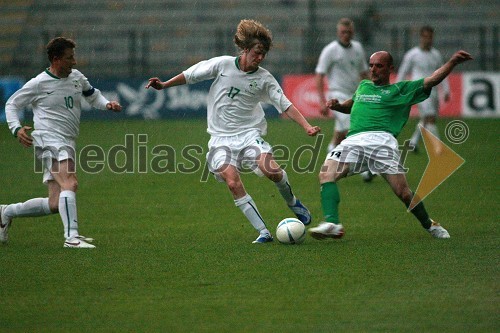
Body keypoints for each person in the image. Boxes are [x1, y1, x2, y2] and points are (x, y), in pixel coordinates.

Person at [146, 19, 320, 244]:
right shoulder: (223, 65)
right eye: (257, 52)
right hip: (220, 140)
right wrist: (164, 84)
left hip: (249, 134)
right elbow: (191, 75)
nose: (260, 58)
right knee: (232, 182)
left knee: (272, 171)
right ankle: (263, 232)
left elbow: (285, 104)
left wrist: (306, 126)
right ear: (246, 49)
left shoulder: (264, 79)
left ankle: (292, 202)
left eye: (264, 54)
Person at [309, 50, 472, 240]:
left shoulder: (401, 90)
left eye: (379, 66)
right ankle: (333, 223)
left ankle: (430, 224)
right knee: (326, 174)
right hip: (353, 140)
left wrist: (452, 61)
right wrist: (337, 106)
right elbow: (351, 106)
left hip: (382, 143)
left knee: (403, 193)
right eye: (371, 65)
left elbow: (432, 80)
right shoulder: (363, 86)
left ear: (390, 68)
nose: (373, 69)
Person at [1, 37, 122, 248]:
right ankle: (71, 238)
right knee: (70, 183)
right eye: (69, 58)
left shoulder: (76, 77)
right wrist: (16, 128)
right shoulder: (39, 83)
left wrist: (107, 105)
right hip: (48, 139)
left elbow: (92, 96)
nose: (74, 62)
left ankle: (5, 212)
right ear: (56, 60)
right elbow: (12, 104)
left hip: (67, 140)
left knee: (55, 203)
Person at [315, 18, 373, 181]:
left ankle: (328, 164)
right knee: (354, 130)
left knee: (340, 135)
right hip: (337, 96)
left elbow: (363, 73)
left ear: (353, 32)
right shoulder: (330, 50)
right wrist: (321, 102)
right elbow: (319, 75)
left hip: (354, 95)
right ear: (338, 32)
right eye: (343, 32)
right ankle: (365, 170)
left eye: (349, 32)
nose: (346, 35)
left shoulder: (358, 48)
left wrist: (371, 92)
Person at [397, 26, 450, 153]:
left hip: (434, 92)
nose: (428, 40)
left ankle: (413, 143)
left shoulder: (436, 54)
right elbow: (403, 72)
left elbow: (442, 72)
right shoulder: (412, 54)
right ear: (421, 37)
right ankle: (438, 148)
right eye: (425, 37)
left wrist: (446, 90)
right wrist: (398, 88)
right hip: (419, 90)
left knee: (427, 119)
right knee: (430, 117)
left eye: (430, 37)